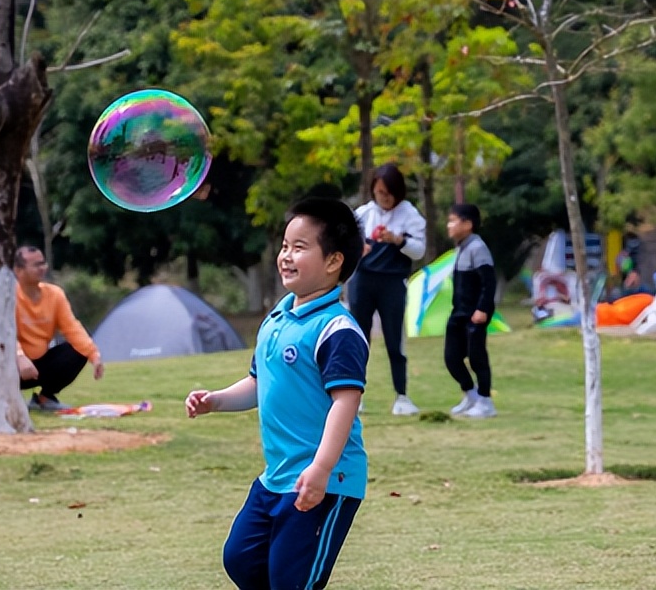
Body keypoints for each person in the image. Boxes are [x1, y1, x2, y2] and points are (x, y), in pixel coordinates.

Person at [185, 197, 368, 590]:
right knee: (240, 559)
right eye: (285, 246)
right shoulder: (277, 318)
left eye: (300, 248)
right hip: (276, 477)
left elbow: (345, 402)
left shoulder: (337, 329)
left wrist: (320, 470)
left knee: (292, 580)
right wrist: (216, 400)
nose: (286, 256)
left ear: (334, 261)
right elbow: (257, 383)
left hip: (326, 479)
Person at [349, 163, 426, 416]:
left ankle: (402, 395)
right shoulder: (363, 214)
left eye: (387, 193)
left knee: (395, 339)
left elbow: (419, 250)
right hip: (363, 281)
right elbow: (348, 242)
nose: (383, 198)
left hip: (392, 282)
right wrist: (359, 249)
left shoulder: (409, 215)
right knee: (359, 339)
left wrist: (397, 240)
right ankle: (354, 395)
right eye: (379, 192)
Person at [13, 246, 104, 411]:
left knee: (78, 349)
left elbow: (72, 328)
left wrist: (94, 355)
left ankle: (45, 399)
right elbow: (3, 335)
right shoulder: (8, 295)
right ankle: (4, 400)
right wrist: (19, 357)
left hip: (38, 365)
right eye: (36, 265)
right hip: (11, 365)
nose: (43, 268)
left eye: (43, 263)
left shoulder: (55, 294)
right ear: (18, 270)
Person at [443, 203, 497, 419]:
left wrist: (483, 308)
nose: (449, 225)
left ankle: (485, 401)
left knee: (477, 357)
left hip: (475, 313)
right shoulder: (461, 248)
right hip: (459, 312)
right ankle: (470, 394)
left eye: (453, 220)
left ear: (468, 224)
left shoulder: (478, 248)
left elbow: (488, 282)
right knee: (451, 357)